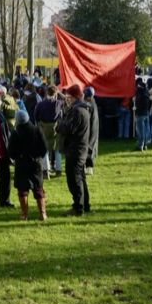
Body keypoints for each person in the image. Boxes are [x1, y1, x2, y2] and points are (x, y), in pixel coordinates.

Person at [56, 84, 91, 216]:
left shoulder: (77, 111)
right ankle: (84, 204)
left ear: (75, 97)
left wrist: (59, 125)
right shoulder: (82, 109)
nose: (67, 99)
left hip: (75, 149)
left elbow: (69, 128)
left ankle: (78, 207)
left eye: (69, 97)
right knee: (80, 178)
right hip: (79, 148)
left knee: (74, 180)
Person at [8, 110, 48, 221]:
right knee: (38, 188)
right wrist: (38, 156)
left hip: (21, 164)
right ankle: (43, 214)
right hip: (36, 163)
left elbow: (10, 151)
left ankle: (24, 214)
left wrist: (18, 157)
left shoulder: (15, 133)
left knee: (22, 190)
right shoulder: (37, 130)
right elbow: (44, 148)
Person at [35, 86, 61, 176]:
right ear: (55, 93)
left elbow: (36, 116)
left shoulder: (41, 104)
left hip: (44, 127)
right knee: (57, 148)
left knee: (44, 148)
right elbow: (61, 115)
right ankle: (58, 169)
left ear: (47, 93)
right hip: (55, 127)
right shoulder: (58, 103)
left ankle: (46, 169)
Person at [84, 86, 100, 174]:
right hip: (94, 128)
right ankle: (89, 167)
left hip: (90, 129)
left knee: (89, 147)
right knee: (91, 147)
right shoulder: (93, 103)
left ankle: (89, 167)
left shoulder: (89, 104)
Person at [134, 80, 151, 151]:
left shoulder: (139, 95)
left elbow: (138, 104)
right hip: (146, 113)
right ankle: (145, 145)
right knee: (146, 130)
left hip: (140, 114)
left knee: (140, 131)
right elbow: (149, 103)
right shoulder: (147, 94)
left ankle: (140, 145)